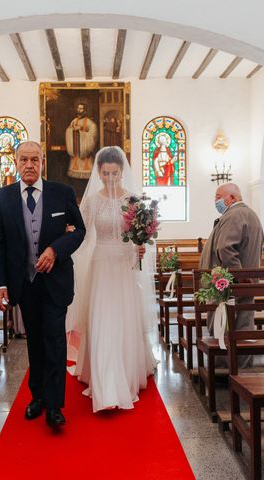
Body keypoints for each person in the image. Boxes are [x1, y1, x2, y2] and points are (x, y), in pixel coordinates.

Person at [0, 141, 86, 429]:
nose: (29, 165)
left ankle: (55, 406)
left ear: (42, 162)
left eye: (34, 159)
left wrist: (56, 249)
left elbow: (79, 231)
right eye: (24, 160)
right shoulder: (3, 197)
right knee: (34, 343)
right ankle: (38, 397)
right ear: (16, 163)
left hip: (55, 283)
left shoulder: (62, 193)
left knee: (54, 340)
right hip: (24, 284)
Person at [67, 146, 158, 412]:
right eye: (105, 173)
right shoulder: (92, 201)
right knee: (102, 319)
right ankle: (105, 382)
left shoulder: (133, 200)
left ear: (121, 172)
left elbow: (141, 235)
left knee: (123, 320)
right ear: (98, 171)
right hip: (101, 265)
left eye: (114, 173)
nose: (110, 178)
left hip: (124, 266)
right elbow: (81, 235)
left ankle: (125, 373)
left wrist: (141, 246)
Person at [199, 182, 264, 368]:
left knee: (224, 325)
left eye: (219, 197)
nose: (216, 201)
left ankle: (225, 369)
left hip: (230, 284)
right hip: (245, 282)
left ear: (233, 198)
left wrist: (239, 275)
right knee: (242, 325)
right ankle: (241, 370)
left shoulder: (234, 214)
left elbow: (225, 249)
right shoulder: (251, 215)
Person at [65, 99, 98, 179]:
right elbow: (68, 131)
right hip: (75, 148)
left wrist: (81, 129)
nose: (79, 110)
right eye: (78, 108)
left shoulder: (89, 122)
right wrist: (72, 130)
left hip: (84, 149)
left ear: (85, 110)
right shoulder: (74, 121)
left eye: (81, 108)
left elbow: (93, 133)